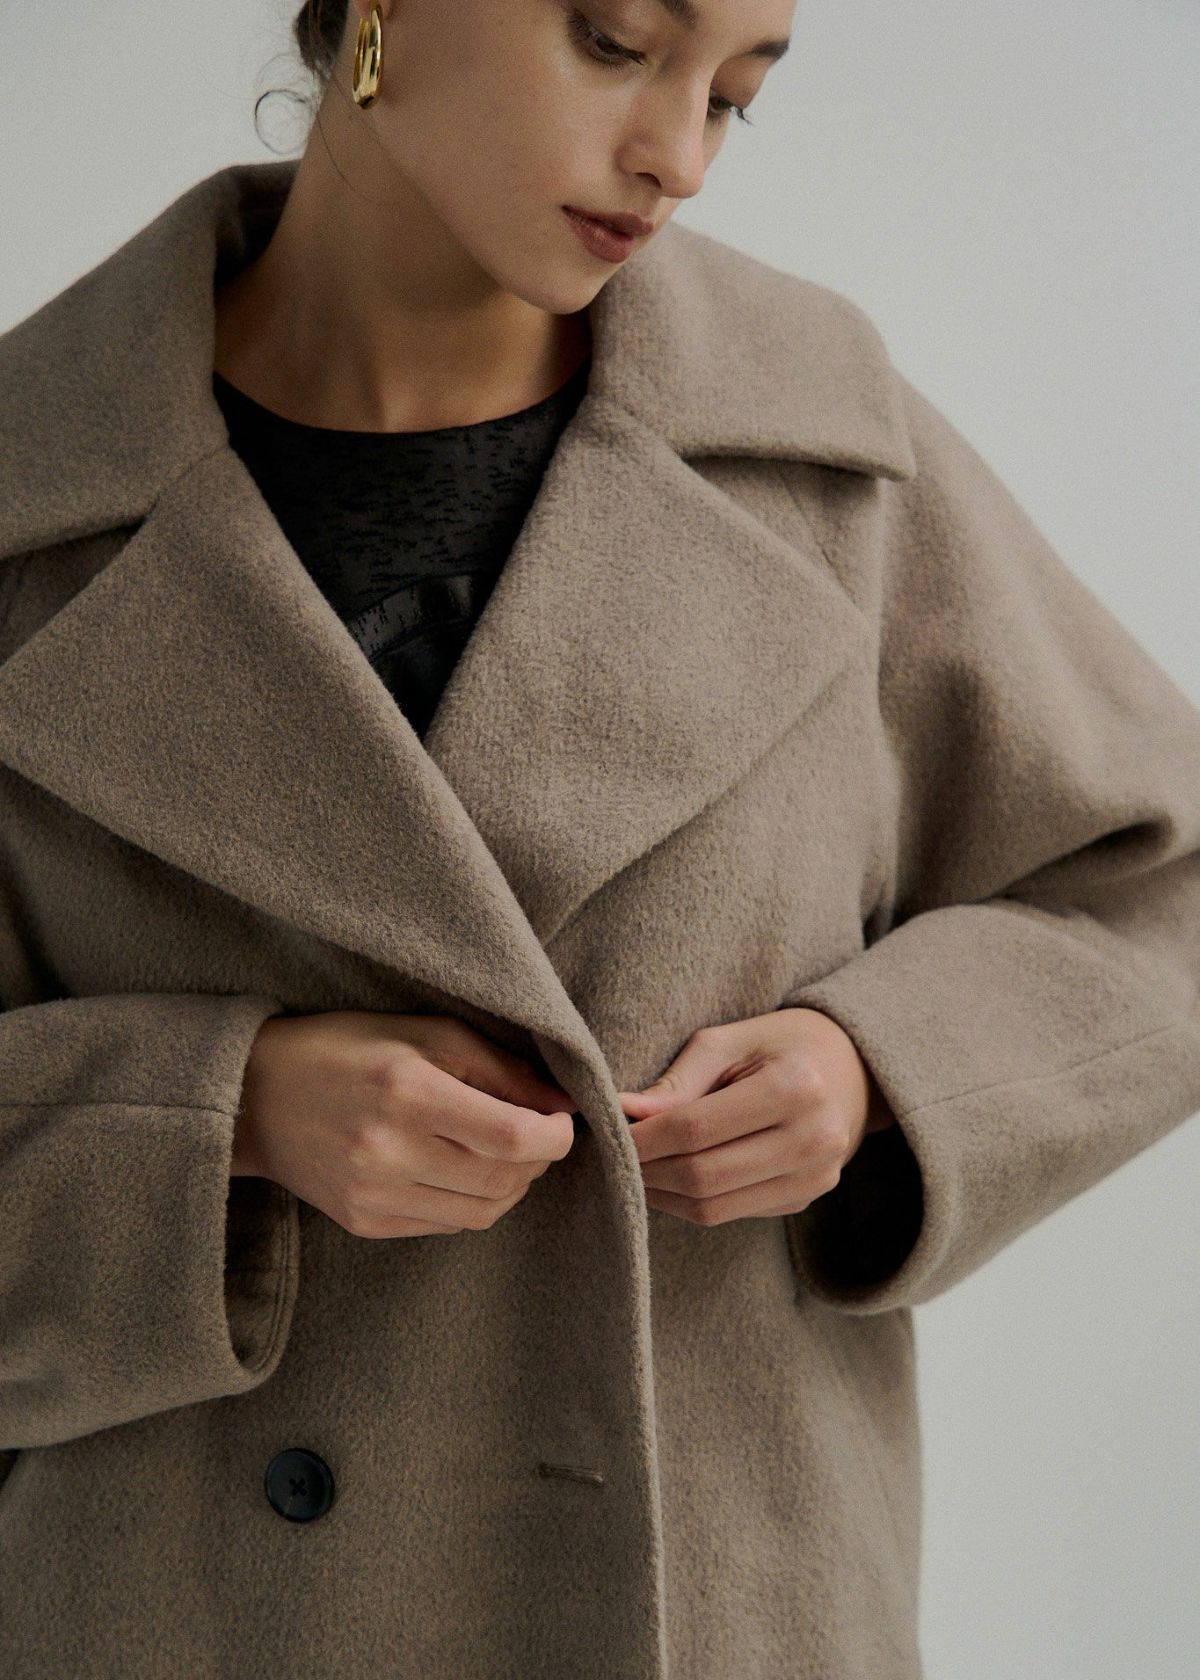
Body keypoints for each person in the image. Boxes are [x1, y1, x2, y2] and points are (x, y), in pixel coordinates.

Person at [0, 3, 1197, 1676]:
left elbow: (1159, 894)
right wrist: (223, 1116)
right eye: (618, 40)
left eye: (736, 96)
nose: (679, 155)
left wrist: (873, 1072)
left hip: (725, 1610)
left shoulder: (822, 449)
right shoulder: (33, 494)